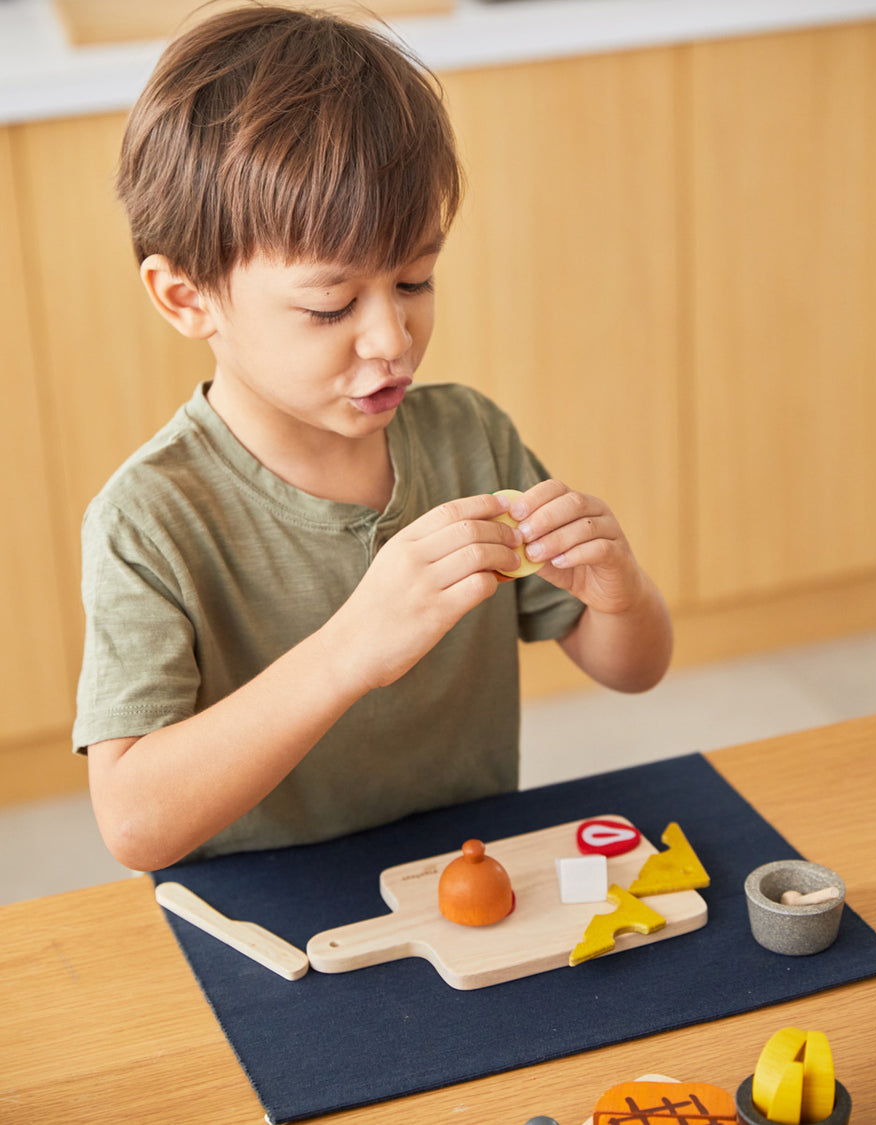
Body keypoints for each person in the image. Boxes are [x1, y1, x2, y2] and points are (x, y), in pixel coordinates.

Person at [74, 4, 673, 872]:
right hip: (274, 929)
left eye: (416, 279)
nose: (392, 338)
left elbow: (634, 669)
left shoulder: (470, 435)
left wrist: (619, 590)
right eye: (331, 305)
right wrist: (351, 650)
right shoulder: (150, 518)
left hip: (470, 883)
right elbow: (134, 824)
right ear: (186, 297)